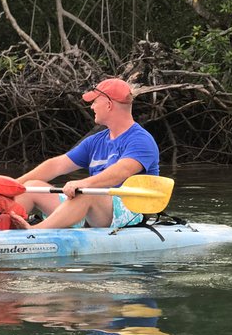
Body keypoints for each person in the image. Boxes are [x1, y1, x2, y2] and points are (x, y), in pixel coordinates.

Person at [10, 78, 159, 230]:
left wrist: (85, 183)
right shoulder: (95, 141)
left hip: (130, 211)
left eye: (95, 102)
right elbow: (56, 165)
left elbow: (122, 171)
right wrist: (13, 184)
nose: (92, 107)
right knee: (30, 187)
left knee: (87, 192)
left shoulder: (141, 140)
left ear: (109, 105)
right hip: (92, 203)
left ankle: (35, 231)